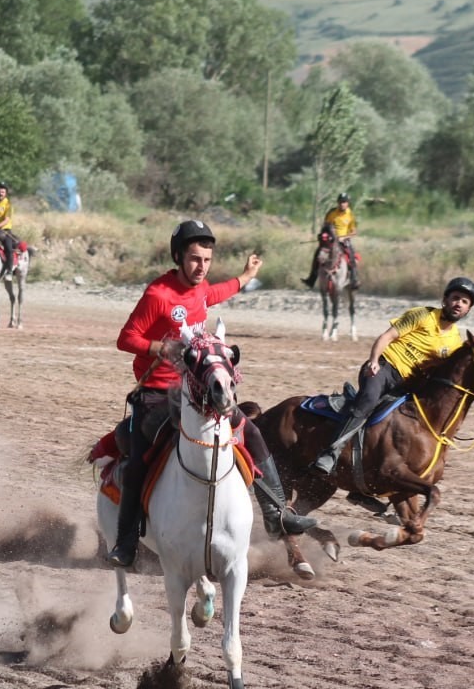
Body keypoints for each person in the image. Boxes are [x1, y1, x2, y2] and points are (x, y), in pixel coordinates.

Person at [106, 219, 318, 567]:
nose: (201, 266)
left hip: (195, 389)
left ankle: (276, 513)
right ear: (178, 257)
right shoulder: (158, 295)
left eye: (206, 259)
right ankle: (126, 541)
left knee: (249, 430)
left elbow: (219, 292)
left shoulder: (202, 290)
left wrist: (247, 277)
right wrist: (161, 347)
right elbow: (126, 339)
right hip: (157, 394)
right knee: (139, 459)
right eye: (193, 259)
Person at [312, 276, 474, 478]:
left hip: (407, 384)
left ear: (468, 309)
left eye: (464, 302)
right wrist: (373, 360)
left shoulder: (455, 341)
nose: (458, 304)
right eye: (455, 297)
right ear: (445, 299)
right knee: (368, 402)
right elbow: (387, 337)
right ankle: (331, 453)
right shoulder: (422, 315)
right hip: (383, 369)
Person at [302, 192, 359, 290]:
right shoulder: (331, 213)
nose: (342, 204)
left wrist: (343, 237)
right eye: (340, 202)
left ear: (348, 203)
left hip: (343, 240)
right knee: (318, 254)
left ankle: (354, 279)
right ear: (338, 202)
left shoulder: (350, 215)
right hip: (331, 240)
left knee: (351, 254)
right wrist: (323, 235)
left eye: (344, 202)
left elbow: (353, 232)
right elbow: (325, 226)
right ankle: (311, 279)